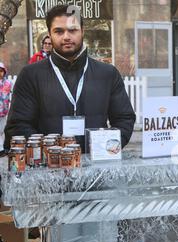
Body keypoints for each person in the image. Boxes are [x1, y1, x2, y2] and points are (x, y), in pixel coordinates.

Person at [4, 5, 136, 152]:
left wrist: (106, 148)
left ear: (82, 31)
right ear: (49, 34)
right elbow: (18, 126)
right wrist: (50, 154)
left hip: (96, 166)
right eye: (59, 31)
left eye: (72, 30)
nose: (66, 36)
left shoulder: (107, 74)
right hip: (49, 170)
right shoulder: (31, 75)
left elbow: (124, 119)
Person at [0, 62, 12, 157]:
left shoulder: (8, 83)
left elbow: (10, 95)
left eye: (1, 71)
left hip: (3, 111)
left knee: (2, 130)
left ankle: (2, 148)